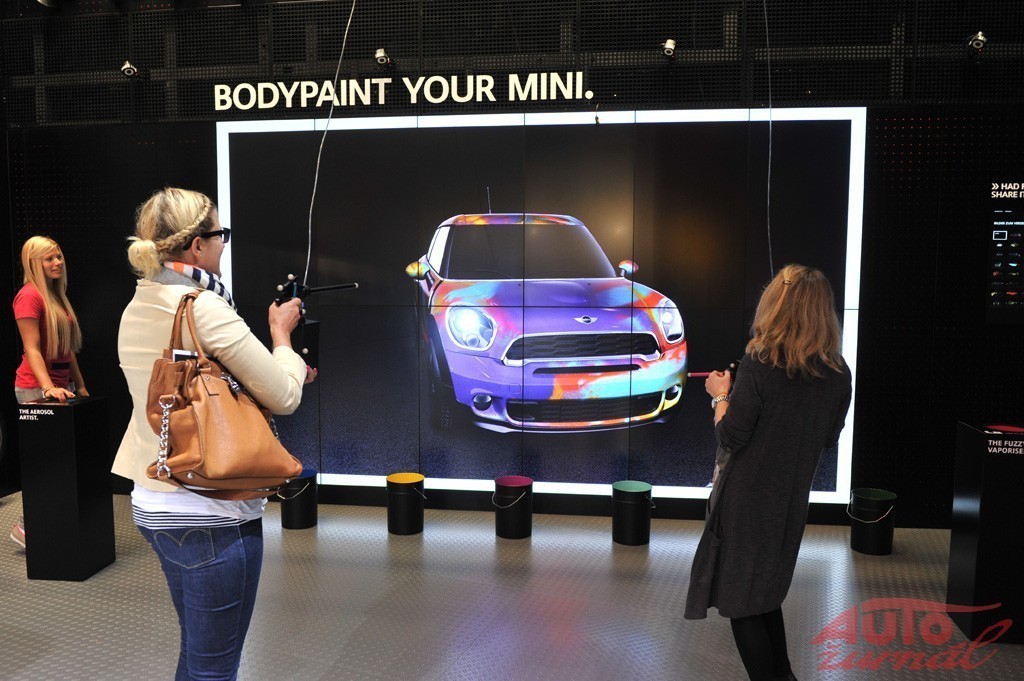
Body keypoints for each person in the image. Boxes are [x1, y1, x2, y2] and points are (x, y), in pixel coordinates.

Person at [113, 187, 316, 680]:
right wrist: (282, 337)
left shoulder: (137, 303)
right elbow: (284, 396)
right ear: (197, 245)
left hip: (153, 500)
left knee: (198, 657)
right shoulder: (203, 307)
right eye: (220, 234)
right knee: (215, 669)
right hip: (210, 509)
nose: (224, 243)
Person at [684, 264, 853, 681]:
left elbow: (731, 436)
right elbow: (829, 438)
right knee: (765, 595)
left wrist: (720, 396)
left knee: (742, 605)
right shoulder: (838, 373)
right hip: (790, 503)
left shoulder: (760, 362)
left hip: (746, 501)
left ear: (776, 304)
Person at [11, 236, 89, 549]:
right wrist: (47, 388)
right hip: (35, 388)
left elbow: (67, 349)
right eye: (49, 259)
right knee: (47, 465)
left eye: (58, 257)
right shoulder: (28, 297)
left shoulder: (55, 296)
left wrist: (79, 385)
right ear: (34, 263)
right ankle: (25, 526)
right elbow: (31, 348)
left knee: (63, 465)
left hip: (60, 388)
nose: (57, 262)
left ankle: (49, 525)